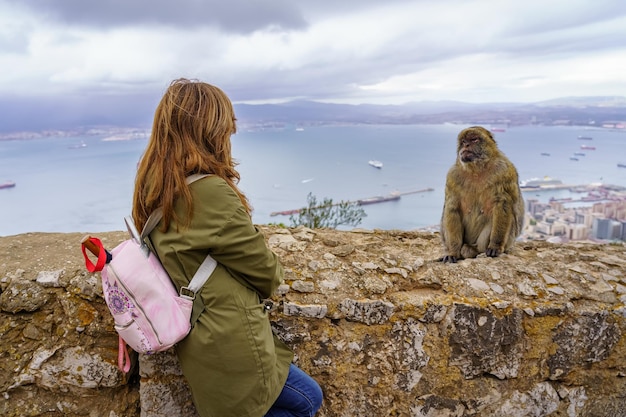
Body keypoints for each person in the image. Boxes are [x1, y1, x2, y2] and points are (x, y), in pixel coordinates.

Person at [132, 78, 323, 417]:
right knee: (307, 400)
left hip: (200, 339)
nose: (230, 138)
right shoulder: (209, 194)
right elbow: (267, 273)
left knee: (301, 399)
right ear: (209, 132)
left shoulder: (154, 184)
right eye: (226, 130)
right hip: (232, 339)